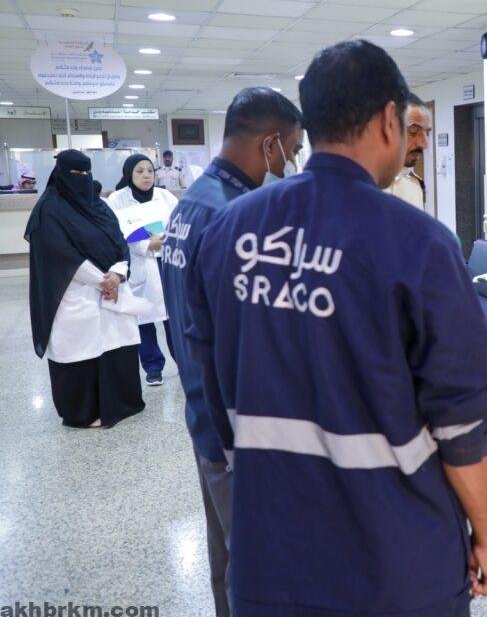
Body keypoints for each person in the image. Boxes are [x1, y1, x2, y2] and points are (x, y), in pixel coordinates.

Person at [186, 40, 487, 615]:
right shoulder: (421, 244)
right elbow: (464, 424)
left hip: (268, 556)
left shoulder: (228, 231)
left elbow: (210, 381)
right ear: (388, 119)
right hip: (395, 565)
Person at [160, 86, 303, 617]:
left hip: (203, 412)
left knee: (227, 554)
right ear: (270, 144)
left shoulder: (193, 202)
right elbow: (248, 337)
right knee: (260, 564)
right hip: (235, 427)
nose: (292, 163)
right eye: (292, 149)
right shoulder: (236, 217)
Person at [25, 149, 145, 428]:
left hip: (113, 287)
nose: (82, 178)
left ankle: (121, 403)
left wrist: (118, 273)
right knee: (83, 349)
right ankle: (84, 412)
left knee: (116, 344)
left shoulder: (98, 204)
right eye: (75, 173)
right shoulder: (50, 209)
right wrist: (102, 280)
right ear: (60, 174)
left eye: (86, 172)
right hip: (74, 290)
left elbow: (119, 240)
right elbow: (60, 255)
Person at [106, 154, 179, 386]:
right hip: (138, 264)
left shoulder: (165, 196)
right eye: (140, 171)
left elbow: (180, 223)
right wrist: (146, 245)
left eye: (150, 170)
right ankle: (153, 367)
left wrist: (166, 240)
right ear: (129, 174)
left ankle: (184, 362)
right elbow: (115, 234)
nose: (146, 175)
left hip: (166, 262)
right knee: (144, 319)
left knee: (174, 318)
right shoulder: (117, 199)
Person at [384, 92, 430, 210]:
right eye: (413, 131)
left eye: (427, 133)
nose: (424, 144)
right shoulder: (355, 186)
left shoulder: (414, 185)